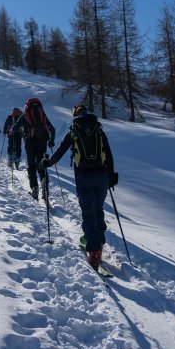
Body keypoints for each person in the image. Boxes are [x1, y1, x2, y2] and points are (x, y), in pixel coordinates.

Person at [40, 105, 118, 272]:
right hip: (102, 176)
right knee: (98, 210)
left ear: (75, 115)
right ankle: (100, 240)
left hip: (84, 176)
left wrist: (47, 162)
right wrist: (111, 175)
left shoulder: (74, 131)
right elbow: (109, 154)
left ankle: (94, 251)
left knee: (88, 214)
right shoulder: (98, 129)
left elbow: (60, 152)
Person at [11, 98, 56, 201]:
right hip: (42, 142)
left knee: (31, 165)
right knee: (41, 164)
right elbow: (52, 129)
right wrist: (51, 140)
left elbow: (14, 128)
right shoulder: (42, 115)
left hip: (29, 142)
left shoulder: (25, 115)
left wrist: (13, 130)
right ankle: (45, 185)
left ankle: (34, 188)